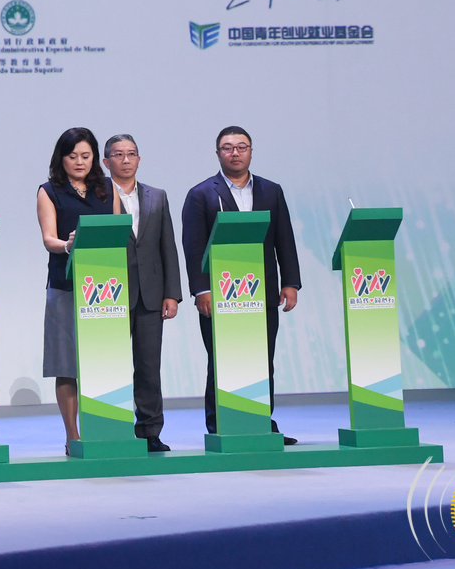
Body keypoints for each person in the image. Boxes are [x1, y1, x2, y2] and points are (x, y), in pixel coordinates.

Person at [181, 126, 301, 445]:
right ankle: (219, 425)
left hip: (262, 293)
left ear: (251, 151)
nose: (235, 153)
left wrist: (290, 282)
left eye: (241, 147)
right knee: (222, 360)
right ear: (218, 153)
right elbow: (193, 247)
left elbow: (284, 239)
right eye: (227, 147)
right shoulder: (201, 194)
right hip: (221, 295)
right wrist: (201, 290)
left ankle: (262, 422)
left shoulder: (271, 191)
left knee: (262, 359)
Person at [35, 127, 116, 450]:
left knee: (104, 361)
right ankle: (73, 435)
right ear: (61, 158)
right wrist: (69, 245)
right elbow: (48, 239)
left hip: (105, 288)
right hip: (65, 285)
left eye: (86, 156)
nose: (80, 162)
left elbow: (116, 233)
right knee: (66, 364)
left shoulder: (108, 188)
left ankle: (105, 430)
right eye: (72, 156)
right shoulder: (49, 191)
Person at [103, 134, 183, 452]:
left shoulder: (157, 196)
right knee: (111, 363)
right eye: (118, 154)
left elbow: (168, 246)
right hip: (110, 294)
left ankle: (150, 430)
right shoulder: (97, 197)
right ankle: (112, 427)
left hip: (151, 294)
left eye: (131, 153)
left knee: (149, 366)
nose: (126, 159)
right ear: (106, 161)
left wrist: (172, 293)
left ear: (139, 159)